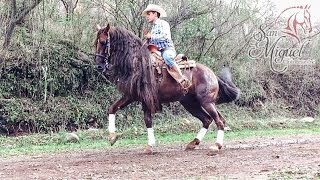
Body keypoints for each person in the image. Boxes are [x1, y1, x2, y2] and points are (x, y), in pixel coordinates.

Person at [142, 4, 191, 89]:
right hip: (156, 51)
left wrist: (151, 36)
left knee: (167, 58)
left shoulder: (163, 24)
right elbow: (154, 42)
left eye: (149, 14)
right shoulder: (153, 28)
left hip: (167, 49)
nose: (147, 17)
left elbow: (165, 37)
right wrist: (148, 40)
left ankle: (182, 80)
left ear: (155, 14)